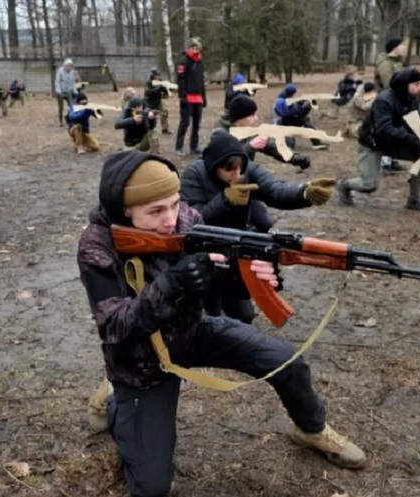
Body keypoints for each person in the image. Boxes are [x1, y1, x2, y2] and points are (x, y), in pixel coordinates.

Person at [78, 150, 366, 497]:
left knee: (285, 360)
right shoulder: (97, 245)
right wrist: (171, 285)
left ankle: (311, 427)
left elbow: (219, 278)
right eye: (155, 211)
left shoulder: (187, 218)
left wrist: (254, 276)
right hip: (140, 363)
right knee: (152, 487)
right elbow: (112, 327)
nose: (171, 219)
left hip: (193, 331)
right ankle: (115, 403)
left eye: (174, 203)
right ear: (124, 209)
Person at [180, 130, 334, 323]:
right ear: (214, 166)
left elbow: (275, 190)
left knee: (244, 314)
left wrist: (304, 193)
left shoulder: (248, 171)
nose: (236, 173)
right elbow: (191, 219)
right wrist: (225, 200)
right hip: (204, 249)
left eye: (240, 167)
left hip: (237, 245)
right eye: (229, 168)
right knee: (209, 308)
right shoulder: (194, 174)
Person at [335, 68, 420, 214]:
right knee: (369, 185)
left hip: (392, 141)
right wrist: (411, 139)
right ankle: (344, 185)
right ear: (405, 84)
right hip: (373, 143)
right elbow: (384, 129)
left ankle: (414, 200)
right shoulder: (384, 100)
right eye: (417, 84)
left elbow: (411, 122)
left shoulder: (412, 99)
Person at [217, 94, 311, 169]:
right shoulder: (220, 135)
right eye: (252, 115)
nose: (256, 118)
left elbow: (272, 147)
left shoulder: (249, 131)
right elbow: (224, 162)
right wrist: (250, 146)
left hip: (246, 175)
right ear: (239, 118)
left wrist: (295, 157)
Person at [175, 38, 207, 155]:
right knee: (185, 122)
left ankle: (194, 146)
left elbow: (201, 80)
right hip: (187, 97)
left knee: (196, 123)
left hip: (198, 97)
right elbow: (181, 79)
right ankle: (179, 147)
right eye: (193, 47)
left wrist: (204, 96)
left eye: (197, 48)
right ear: (189, 48)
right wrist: (182, 96)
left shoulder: (199, 62)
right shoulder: (184, 61)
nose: (195, 50)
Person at [273, 84, 328, 151]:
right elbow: (290, 114)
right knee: (290, 145)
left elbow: (296, 113)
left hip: (290, 121)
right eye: (295, 93)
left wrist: (301, 102)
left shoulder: (289, 98)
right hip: (282, 124)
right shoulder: (280, 101)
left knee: (306, 119)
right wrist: (306, 107)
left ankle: (316, 142)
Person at [144, 68, 171, 135]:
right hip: (149, 102)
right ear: (152, 76)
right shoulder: (148, 83)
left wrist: (165, 88)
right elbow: (148, 92)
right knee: (149, 115)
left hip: (158, 100)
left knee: (165, 111)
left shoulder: (160, 82)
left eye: (158, 75)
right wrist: (158, 88)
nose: (158, 77)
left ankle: (164, 129)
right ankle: (147, 129)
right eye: (156, 75)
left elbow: (165, 92)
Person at [56, 58, 80, 126]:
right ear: (65, 65)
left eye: (71, 66)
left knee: (72, 106)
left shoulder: (72, 72)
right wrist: (59, 91)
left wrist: (75, 92)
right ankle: (60, 121)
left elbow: (72, 83)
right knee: (61, 107)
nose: (69, 67)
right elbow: (57, 82)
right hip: (60, 91)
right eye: (68, 66)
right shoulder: (60, 71)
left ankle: (70, 119)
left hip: (68, 91)